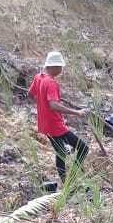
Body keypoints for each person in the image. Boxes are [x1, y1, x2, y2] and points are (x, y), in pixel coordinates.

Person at [28, 51, 90, 181]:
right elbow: (53, 105)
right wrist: (77, 112)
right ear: (54, 66)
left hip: (45, 124)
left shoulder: (39, 77)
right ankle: (71, 179)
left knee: (61, 152)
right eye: (60, 67)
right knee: (83, 148)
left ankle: (66, 182)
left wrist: (41, 106)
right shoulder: (51, 83)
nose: (61, 70)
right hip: (55, 126)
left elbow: (31, 94)